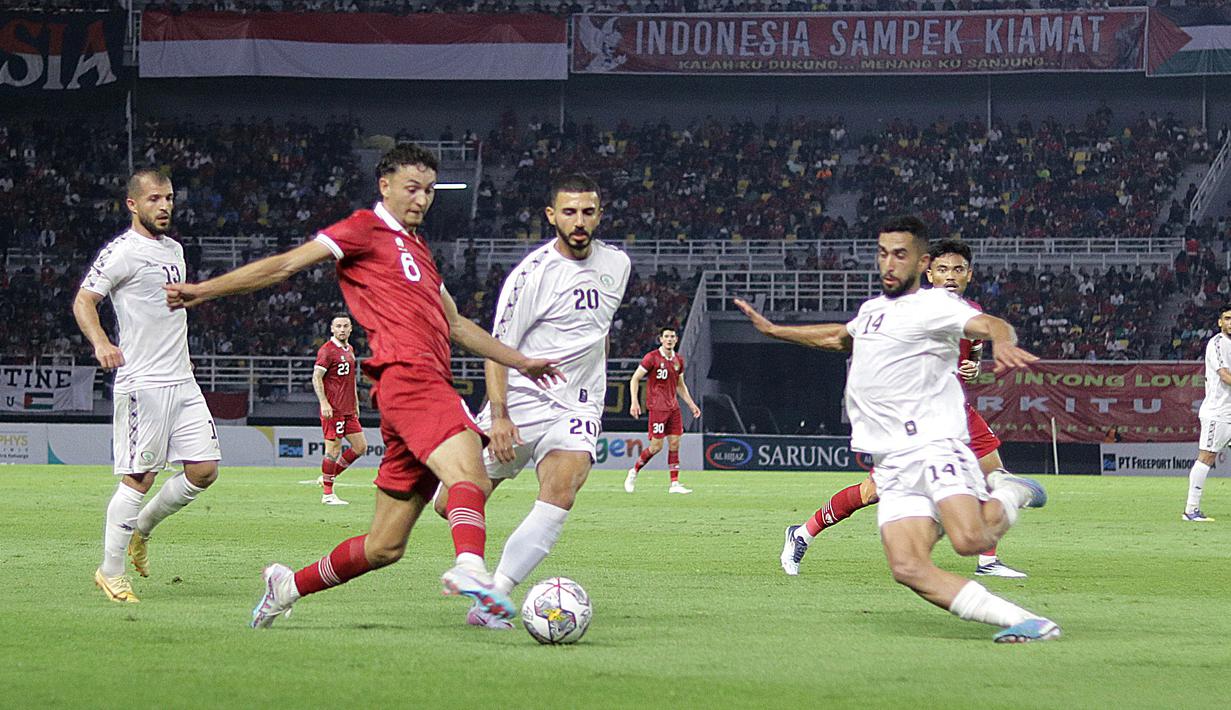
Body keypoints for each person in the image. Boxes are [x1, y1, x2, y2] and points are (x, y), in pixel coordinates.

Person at [163, 144, 562, 628]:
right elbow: (285, 265)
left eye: (429, 190)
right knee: (472, 478)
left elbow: (455, 324)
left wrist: (521, 361)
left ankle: (286, 587)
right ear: (385, 186)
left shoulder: (418, 251)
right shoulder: (363, 228)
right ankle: (472, 569)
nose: (422, 199)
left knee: (384, 546)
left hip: (413, 390)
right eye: (412, 188)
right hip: (410, 377)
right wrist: (203, 291)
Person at [735, 215, 1059, 643]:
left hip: (932, 445)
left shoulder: (936, 305)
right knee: (907, 567)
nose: (889, 263)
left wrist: (1003, 340)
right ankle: (1027, 622)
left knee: (969, 540)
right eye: (883, 253)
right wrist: (775, 331)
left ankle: (1012, 492)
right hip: (891, 461)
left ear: (921, 262)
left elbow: (989, 324)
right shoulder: (872, 311)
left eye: (900, 255)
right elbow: (838, 337)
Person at [433, 173, 630, 630]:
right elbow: (497, 348)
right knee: (450, 501)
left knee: (562, 490)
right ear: (551, 215)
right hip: (521, 400)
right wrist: (499, 416)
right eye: (569, 212)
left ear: (599, 215)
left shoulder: (617, 264)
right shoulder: (532, 274)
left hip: (578, 404)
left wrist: (592, 382)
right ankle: (472, 561)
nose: (579, 221)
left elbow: (597, 329)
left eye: (587, 212)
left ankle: (493, 598)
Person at [778, 240, 1028, 579]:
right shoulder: (909, 310)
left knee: (995, 476)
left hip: (954, 412)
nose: (950, 276)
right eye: (942, 269)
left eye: (957, 269)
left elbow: (973, 351)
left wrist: (972, 365)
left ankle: (988, 561)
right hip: (908, 417)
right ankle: (802, 533)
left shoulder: (971, 311)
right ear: (929, 274)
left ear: (969, 274)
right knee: (873, 492)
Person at [73, 169, 222, 603]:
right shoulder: (122, 252)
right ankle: (110, 572)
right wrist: (101, 342)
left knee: (204, 470)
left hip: (182, 379)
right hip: (144, 382)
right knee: (140, 477)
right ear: (133, 204)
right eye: (154, 198)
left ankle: (141, 528)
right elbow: (85, 300)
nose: (165, 206)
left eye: (169, 197)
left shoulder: (174, 249)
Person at [625, 327, 702, 494]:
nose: (669, 339)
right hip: (657, 408)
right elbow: (635, 379)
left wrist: (691, 404)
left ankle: (674, 483)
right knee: (656, 447)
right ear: (661, 339)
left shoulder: (678, 360)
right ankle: (634, 471)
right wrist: (634, 402)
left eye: (672, 336)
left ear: (676, 339)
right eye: (666, 336)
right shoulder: (651, 358)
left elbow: (680, 385)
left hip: (673, 407)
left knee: (675, 443)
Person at [312, 313, 366, 505]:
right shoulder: (327, 351)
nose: (342, 329)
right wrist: (324, 402)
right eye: (338, 326)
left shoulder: (349, 349)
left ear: (350, 329)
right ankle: (327, 494)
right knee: (333, 450)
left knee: (360, 447)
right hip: (333, 409)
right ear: (332, 329)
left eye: (345, 326)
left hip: (348, 409)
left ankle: (328, 476)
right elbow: (316, 377)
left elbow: (350, 379)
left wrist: (356, 402)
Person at [1183, 308, 1231, 522]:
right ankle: (1191, 509)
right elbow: (1225, 376)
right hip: (1218, 412)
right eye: (1227, 318)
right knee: (1207, 457)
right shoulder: (1218, 343)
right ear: (1220, 322)